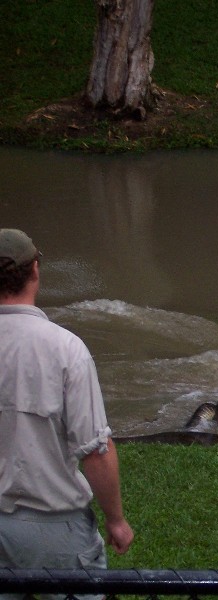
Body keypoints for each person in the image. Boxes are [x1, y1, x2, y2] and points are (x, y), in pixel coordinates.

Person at [0, 229, 134, 597]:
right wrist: (116, 520)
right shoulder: (66, 349)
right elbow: (95, 449)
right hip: (56, 529)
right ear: (36, 271)